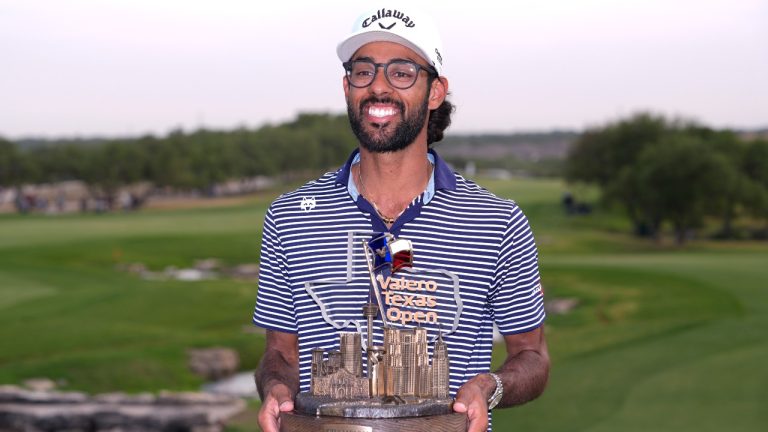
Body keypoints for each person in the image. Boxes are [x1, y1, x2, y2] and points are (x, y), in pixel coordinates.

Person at [253, 6, 549, 432]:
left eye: (402, 72)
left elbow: (532, 356)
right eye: (363, 71)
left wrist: (490, 386)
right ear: (346, 86)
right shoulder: (288, 217)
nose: (378, 87)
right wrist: (276, 388)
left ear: (434, 92)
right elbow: (280, 353)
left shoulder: (496, 220)